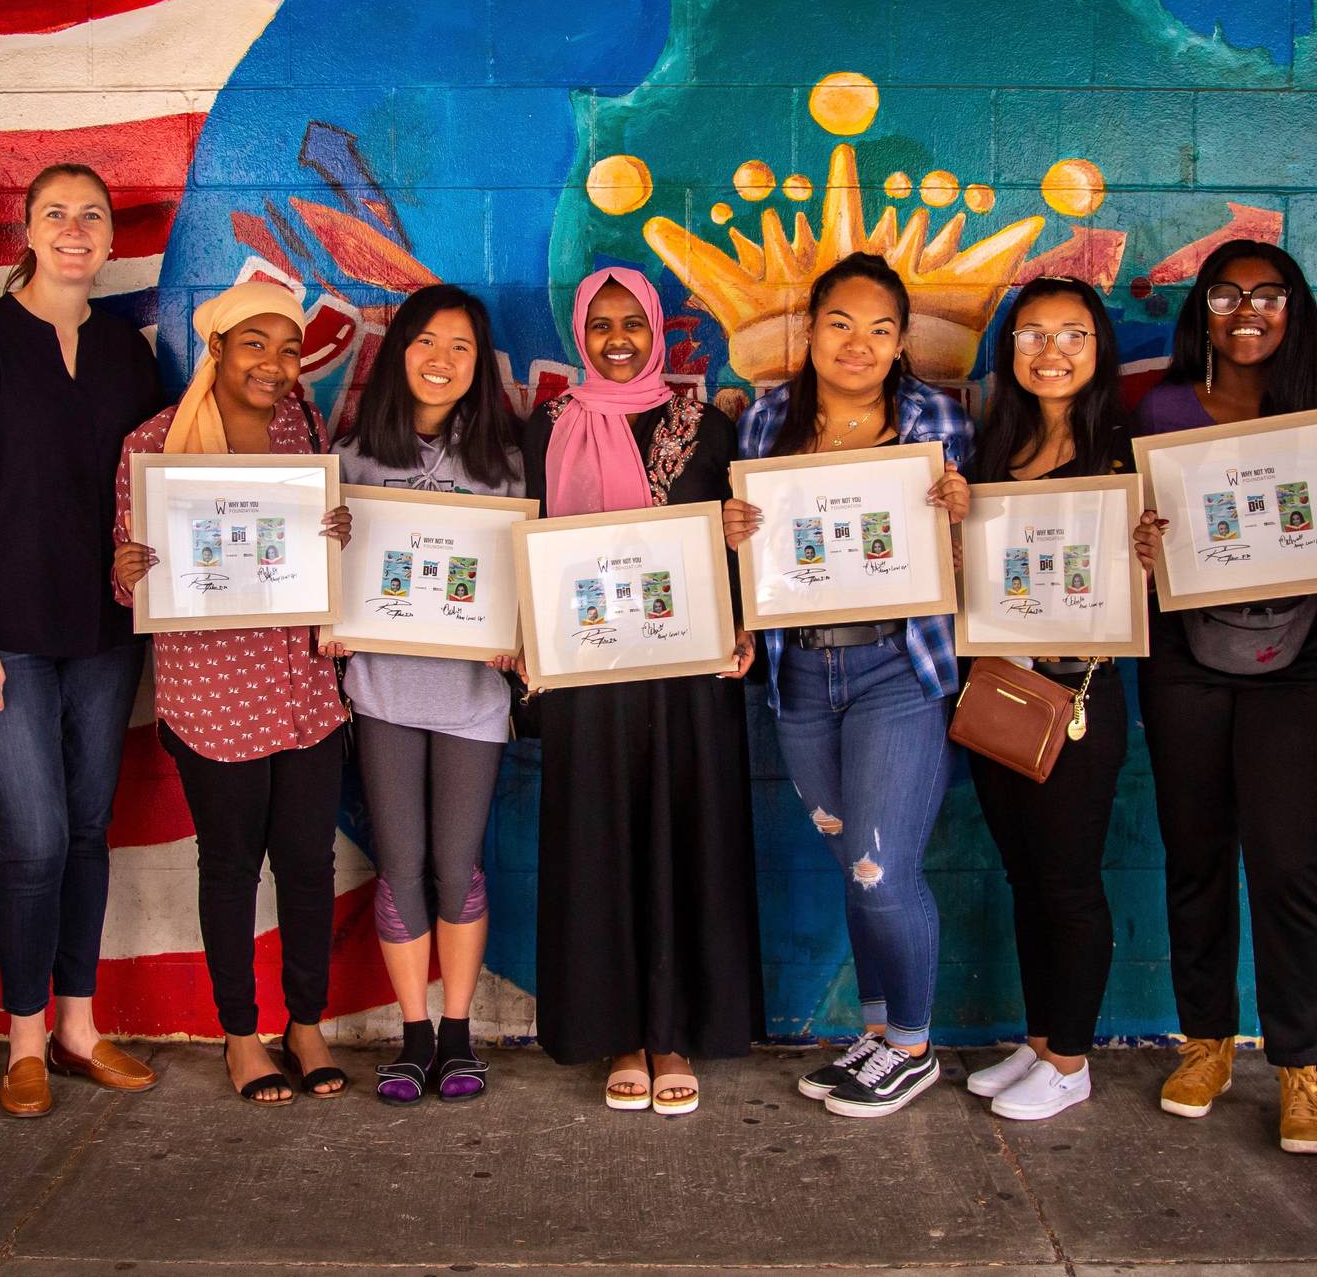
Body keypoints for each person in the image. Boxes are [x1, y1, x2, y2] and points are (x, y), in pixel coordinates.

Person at [0, 164, 163, 1117]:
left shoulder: (128, 353)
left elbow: (151, 487)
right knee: (38, 836)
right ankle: (23, 1039)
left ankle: (78, 1029)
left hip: (101, 633)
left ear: (111, 239)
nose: (75, 228)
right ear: (28, 229)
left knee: (87, 829)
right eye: (56, 213)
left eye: (93, 214)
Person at [1129, 240, 1317, 1153]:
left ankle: (1303, 1065)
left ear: (1294, 306)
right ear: (1201, 310)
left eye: (1268, 294)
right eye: (1227, 294)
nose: (1247, 310)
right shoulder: (1162, 407)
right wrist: (1140, 538)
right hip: (1185, 656)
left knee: (1286, 864)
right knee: (1196, 856)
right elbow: (1134, 536)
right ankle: (1205, 1042)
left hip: (1301, 659)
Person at [723, 252, 973, 1119]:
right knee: (853, 863)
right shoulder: (766, 420)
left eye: (879, 328)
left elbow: (972, 553)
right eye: (839, 323)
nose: (857, 344)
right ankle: (876, 1031)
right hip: (799, 673)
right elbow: (757, 558)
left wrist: (963, 514)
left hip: (898, 667)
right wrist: (734, 530)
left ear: (902, 341)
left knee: (881, 871)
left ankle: (911, 1045)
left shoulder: (937, 417)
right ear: (811, 329)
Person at [523, 265, 762, 1115]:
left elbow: (740, 546)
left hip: (686, 681)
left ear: (657, 330)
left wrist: (745, 619)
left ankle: (672, 1034)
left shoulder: (707, 427)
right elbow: (525, 543)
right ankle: (618, 1033)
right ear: (580, 333)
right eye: (601, 324)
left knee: (683, 841)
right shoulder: (548, 426)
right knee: (601, 844)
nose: (617, 340)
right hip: (588, 683)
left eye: (633, 323)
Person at [111, 282, 350, 1106]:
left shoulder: (303, 427)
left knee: (309, 866)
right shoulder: (153, 445)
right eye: (255, 344)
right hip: (214, 702)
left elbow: (322, 548)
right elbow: (129, 582)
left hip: (306, 693)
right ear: (215, 348)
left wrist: (338, 533)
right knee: (231, 869)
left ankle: (305, 1024)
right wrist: (126, 570)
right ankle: (242, 1035)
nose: (274, 364)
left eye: (290, 349)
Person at [324, 284, 525, 1104]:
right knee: (400, 864)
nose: (442, 360)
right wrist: (328, 607)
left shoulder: (506, 463)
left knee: (457, 864)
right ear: (399, 350)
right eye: (426, 342)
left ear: (479, 364)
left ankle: (458, 1033)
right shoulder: (349, 460)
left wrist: (519, 629)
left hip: (474, 698)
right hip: (384, 692)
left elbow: (525, 577)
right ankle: (413, 1037)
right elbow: (318, 571)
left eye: (461, 347)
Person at [959, 277, 1133, 1122]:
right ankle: (1039, 1040)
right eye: (1032, 335)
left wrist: (1150, 549)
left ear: (1098, 348)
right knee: (1026, 874)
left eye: (1072, 335)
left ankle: (1071, 1060)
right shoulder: (994, 446)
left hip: (1079, 694)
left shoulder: (1125, 452)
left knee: (1067, 880)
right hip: (1001, 687)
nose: (1051, 352)